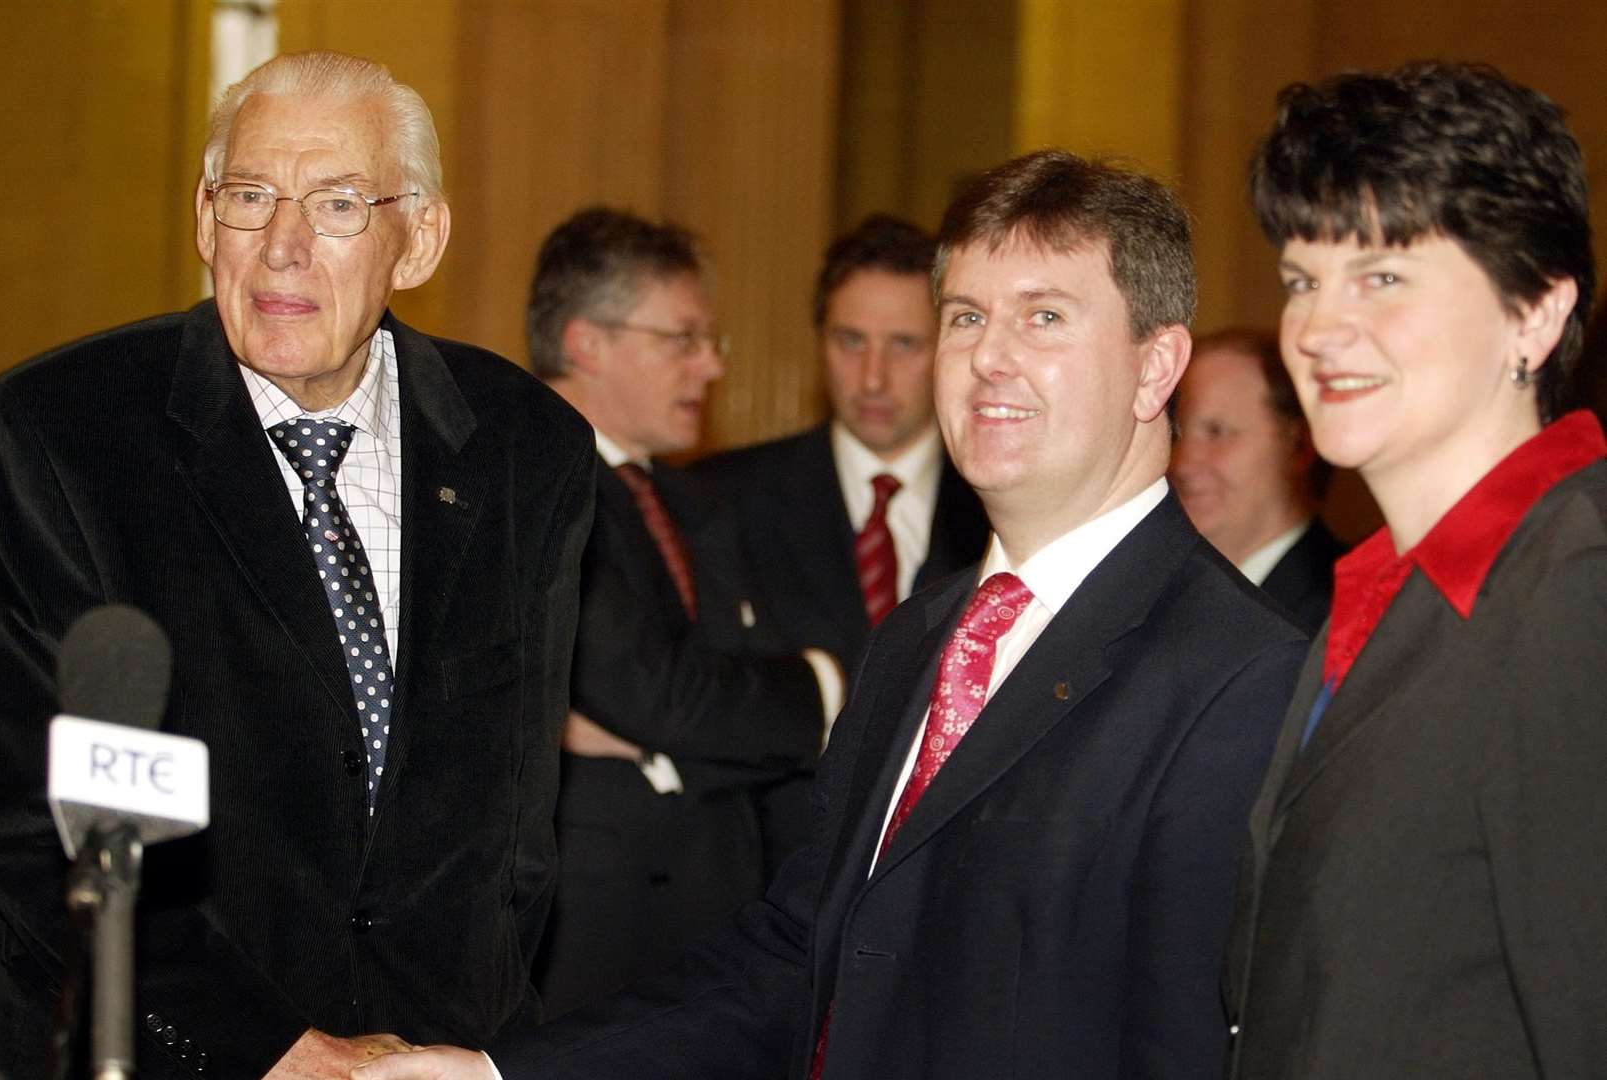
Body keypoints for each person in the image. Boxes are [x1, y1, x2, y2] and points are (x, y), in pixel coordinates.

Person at [358, 149, 1306, 1080]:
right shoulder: (917, 640)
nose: (988, 358)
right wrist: (494, 1075)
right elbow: (792, 959)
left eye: (1045, 317)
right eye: (967, 317)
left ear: (1156, 366)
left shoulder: (1242, 679)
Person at [0, 51, 595, 1078]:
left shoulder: (526, 447)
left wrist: (464, 1042)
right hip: (142, 1046)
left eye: (337, 204)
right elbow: (29, 805)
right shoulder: (66, 433)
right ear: (206, 222)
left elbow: (519, 822)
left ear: (418, 239)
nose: (282, 247)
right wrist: (279, 1051)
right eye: (250, 197)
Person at [1224, 61, 1607, 1077]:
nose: (1319, 328)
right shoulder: (1386, 589)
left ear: (1534, 312)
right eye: (1303, 280)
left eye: (1382, 276)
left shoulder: (1577, 593)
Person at [521, 207, 840, 1021]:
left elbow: (698, 700)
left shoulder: (692, 501)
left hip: (720, 943)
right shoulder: (529, 487)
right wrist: (812, 694)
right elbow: (664, 692)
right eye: (683, 340)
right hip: (589, 952)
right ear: (588, 342)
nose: (709, 368)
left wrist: (815, 688)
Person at [694, 214, 988, 875]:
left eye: (905, 344)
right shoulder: (722, 500)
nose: (874, 377)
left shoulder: (1003, 512)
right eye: (850, 341)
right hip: (765, 885)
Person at [1170, 327, 1343, 629]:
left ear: (1299, 444)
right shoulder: (1157, 600)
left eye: (1217, 432)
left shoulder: (1342, 610)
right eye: (1177, 434)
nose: (1182, 463)